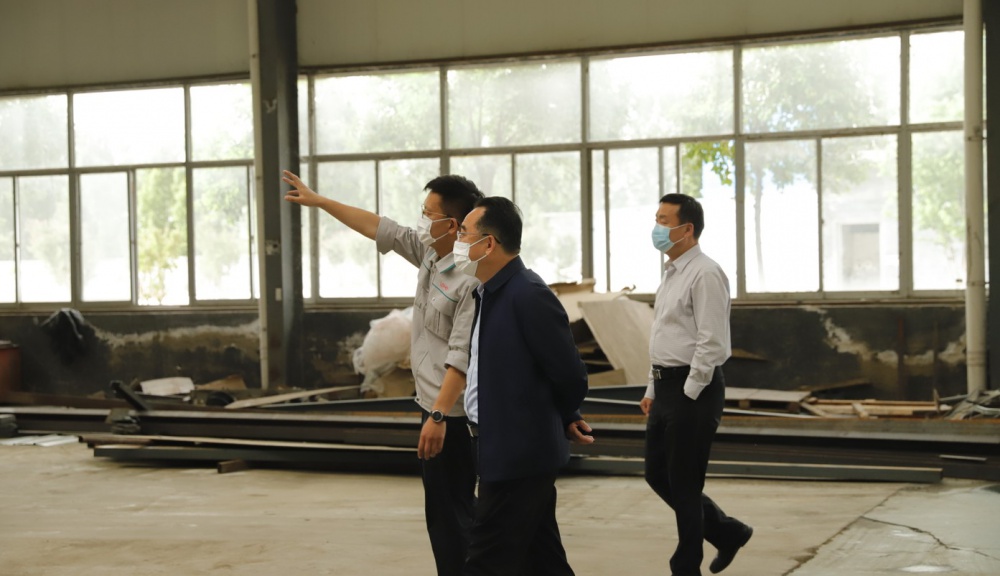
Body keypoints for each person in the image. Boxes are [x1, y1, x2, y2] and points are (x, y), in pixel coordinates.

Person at [282, 170, 482, 576]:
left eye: (428, 214)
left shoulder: (470, 280)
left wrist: (439, 415)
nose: (421, 220)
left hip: (452, 416)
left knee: (453, 515)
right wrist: (321, 201)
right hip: (432, 409)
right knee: (443, 512)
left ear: (453, 225)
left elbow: (461, 356)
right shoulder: (430, 253)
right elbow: (377, 226)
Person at [455, 196, 594, 576]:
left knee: (485, 559)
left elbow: (570, 374)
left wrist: (561, 413)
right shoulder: (488, 292)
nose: (458, 241)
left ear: (488, 244)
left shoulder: (528, 294)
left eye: (464, 233)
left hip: (519, 454)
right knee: (543, 557)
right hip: (500, 446)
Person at [639, 193, 752, 576]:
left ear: (686, 229)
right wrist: (653, 389)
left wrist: (688, 392)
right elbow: (664, 336)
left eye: (663, 220)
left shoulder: (705, 273)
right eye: (656, 219)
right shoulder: (672, 273)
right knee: (657, 474)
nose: (656, 227)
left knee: (685, 484)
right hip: (667, 387)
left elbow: (712, 342)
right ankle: (728, 532)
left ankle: (686, 567)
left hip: (694, 389)